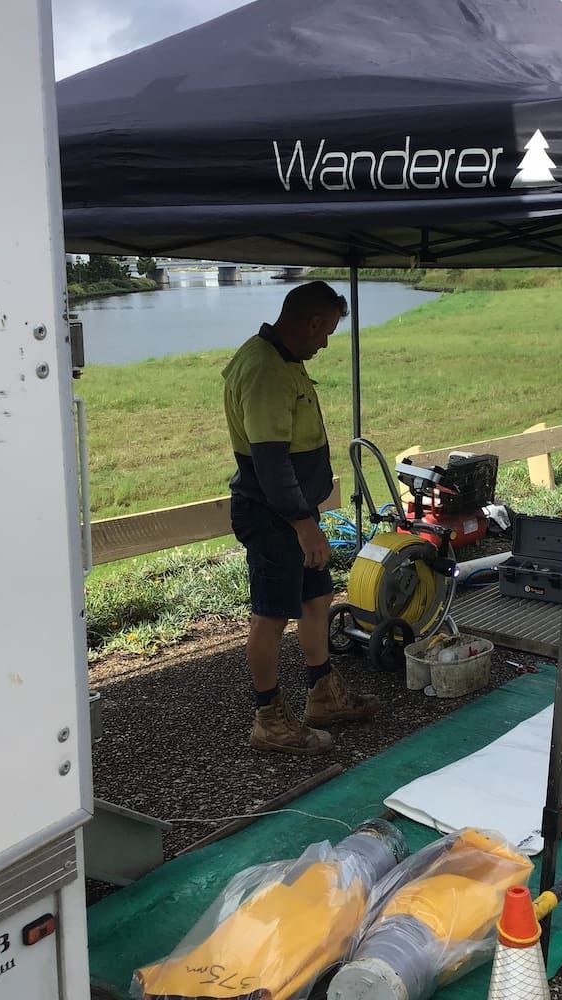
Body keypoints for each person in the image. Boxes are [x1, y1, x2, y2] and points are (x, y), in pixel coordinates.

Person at [222, 280, 380, 754]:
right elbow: (270, 463)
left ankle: (322, 693)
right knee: (270, 617)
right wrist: (303, 523)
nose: (326, 341)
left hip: (294, 513)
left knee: (317, 597)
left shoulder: (281, 361)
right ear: (311, 322)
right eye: (327, 330)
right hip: (274, 515)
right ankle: (268, 718)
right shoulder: (266, 369)